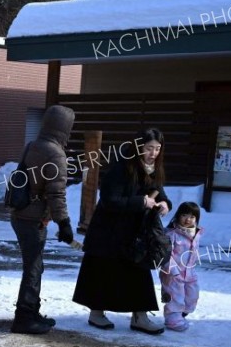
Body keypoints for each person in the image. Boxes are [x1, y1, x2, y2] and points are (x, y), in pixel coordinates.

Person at [72, 128, 171, 335]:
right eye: (149, 148)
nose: (153, 153)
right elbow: (109, 200)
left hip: (135, 233)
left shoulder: (153, 169)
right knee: (102, 273)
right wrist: (141, 201)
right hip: (108, 233)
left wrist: (164, 203)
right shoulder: (121, 168)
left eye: (157, 149)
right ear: (138, 147)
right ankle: (96, 313)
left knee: (139, 274)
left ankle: (140, 316)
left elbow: (160, 192)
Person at [10, 105, 75, 334]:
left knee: (35, 266)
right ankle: (24, 318)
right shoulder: (55, 154)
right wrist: (64, 223)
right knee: (33, 269)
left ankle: (32, 311)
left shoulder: (32, 145)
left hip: (20, 214)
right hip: (33, 219)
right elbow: (56, 193)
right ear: (65, 128)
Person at [160, 202, 204, 332]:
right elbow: (166, 254)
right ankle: (173, 319)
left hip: (189, 272)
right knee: (175, 296)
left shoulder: (196, 233)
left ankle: (181, 314)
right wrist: (172, 271)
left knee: (192, 296)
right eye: (184, 215)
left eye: (192, 217)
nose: (187, 219)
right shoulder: (171, 234)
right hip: (172, 273)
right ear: (178, 215)